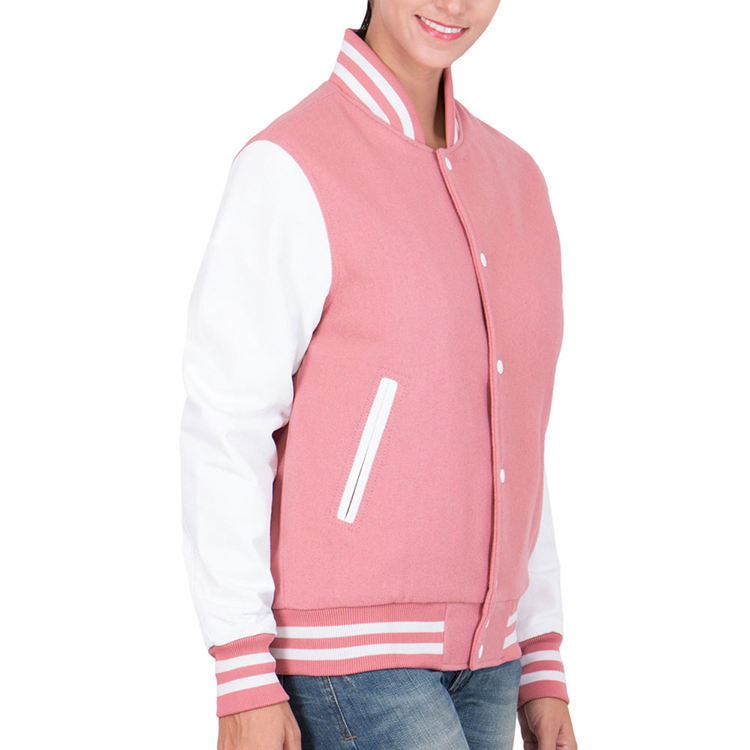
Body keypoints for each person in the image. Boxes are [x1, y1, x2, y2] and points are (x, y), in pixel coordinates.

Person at [179, 1, 579, 748]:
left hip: (493, 660)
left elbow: (517, 440)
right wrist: (240, 666)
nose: (454, 3)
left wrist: (540, 652)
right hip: (349, 661)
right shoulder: (292, 165)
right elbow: (227, 421)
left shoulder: (518, 181)